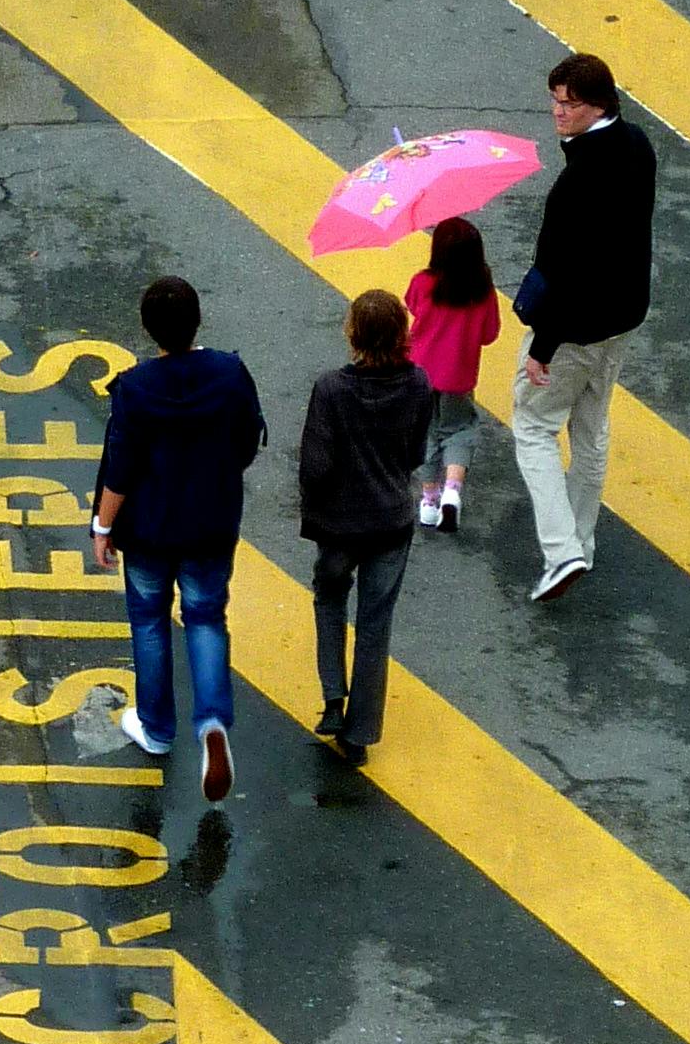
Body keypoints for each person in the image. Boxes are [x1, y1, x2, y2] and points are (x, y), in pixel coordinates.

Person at [90, 277, 266, 804]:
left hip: (147, 531)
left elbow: (120, 468)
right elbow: (246, 441)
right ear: (197, 321)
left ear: (149, 330)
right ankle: (212, 722)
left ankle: (157, 727)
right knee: (206, 617)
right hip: (210, 524)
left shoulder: (136, 388)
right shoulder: (230, 374)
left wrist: (102, 527)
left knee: (148, 620)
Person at [510, 52, 657, 603]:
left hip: (572, 328)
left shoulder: (577, 183)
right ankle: (582, 543)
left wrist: (542, 345)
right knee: (591, 430)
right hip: (621, 318)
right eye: (554, 98)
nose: (556, 111)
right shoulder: (637, 145)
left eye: (566, 103)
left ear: (596, 104)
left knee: (532, 426)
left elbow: (565, 269)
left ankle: (561, 550)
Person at [297, 288, 431, 769]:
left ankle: (333, 696)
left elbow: (315, 465)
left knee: (330, 596)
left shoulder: (331, 389)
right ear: (402, 334)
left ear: (351, 333)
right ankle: (359, 733)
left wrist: (315, 506)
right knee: (376, 624)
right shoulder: (417, 384)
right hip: (391, 521)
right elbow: (417, 451)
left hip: (339, 525)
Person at [404, 215, 500, 535]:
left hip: (419, 374)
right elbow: (490, 334)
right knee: (459, 429)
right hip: (459, 377)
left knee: (425, 433)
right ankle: (452, 491)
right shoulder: (483, 291)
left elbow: (412, 305)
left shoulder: (423, 282)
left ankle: (429, 502)